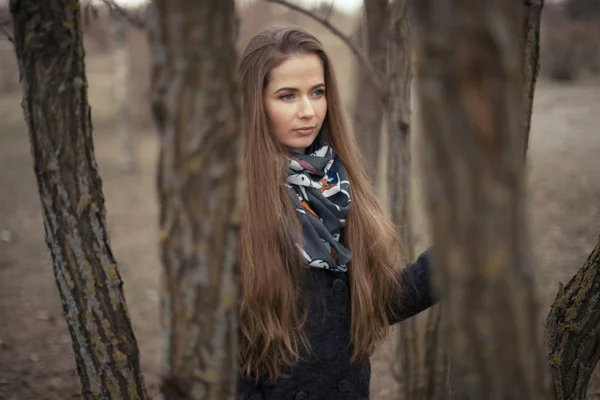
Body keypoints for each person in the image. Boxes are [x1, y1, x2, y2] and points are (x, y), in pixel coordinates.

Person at [237, 26, 437, 400]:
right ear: (255, 104)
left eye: (317, 92)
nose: (308, 111)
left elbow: (373, 304)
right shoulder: (231, 204)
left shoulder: (335, 181)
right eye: (286, 96)